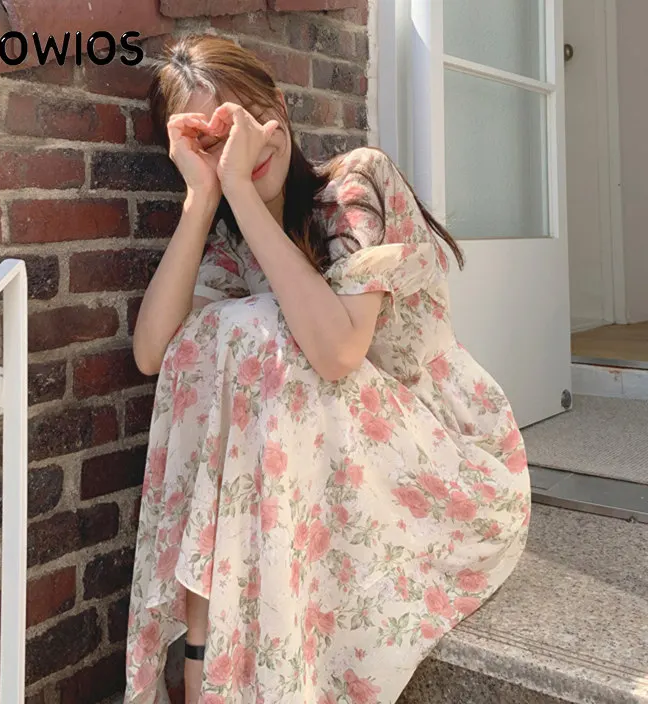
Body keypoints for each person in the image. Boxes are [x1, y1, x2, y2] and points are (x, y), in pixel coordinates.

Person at [124, 32, 531, 704]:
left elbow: (339, 353)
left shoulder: (353, 184)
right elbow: (155, 355)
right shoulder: (231, 237)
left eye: (246, 121)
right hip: (338, 474)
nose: (240, 149)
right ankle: (205, 646)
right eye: (213, 140)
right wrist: (202, 199)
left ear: (279, 109)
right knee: (210, 338)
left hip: (445, 466)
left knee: (247, 327)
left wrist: (238, 190)